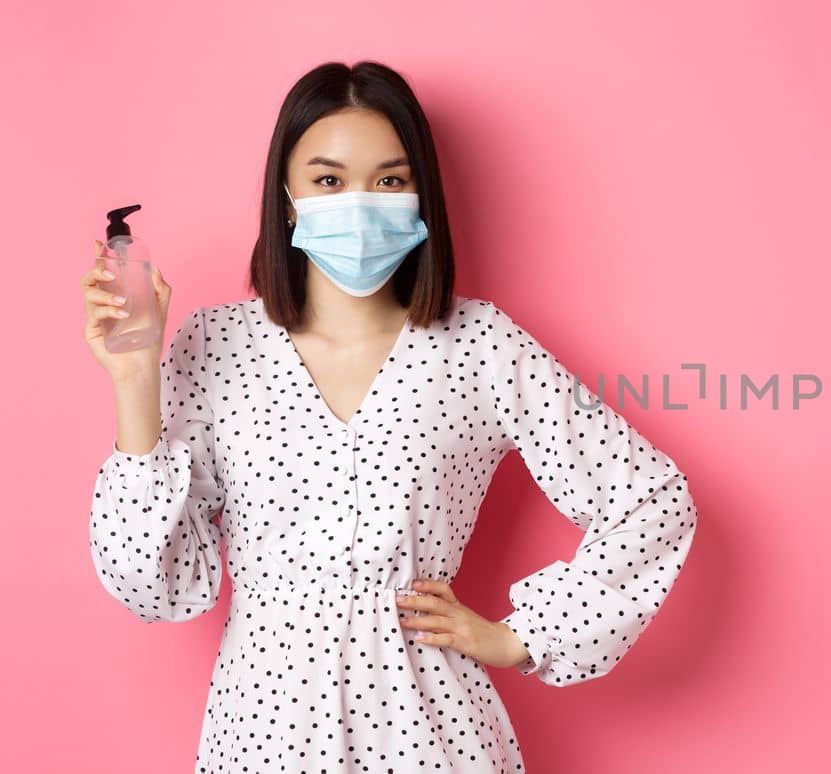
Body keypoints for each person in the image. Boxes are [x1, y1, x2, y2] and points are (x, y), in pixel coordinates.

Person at [80, 60, 698, 773]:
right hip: (260, 736)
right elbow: (152, 585)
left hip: (431, 733)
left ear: (420, 195)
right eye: (329, 180)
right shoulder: (215, 345)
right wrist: (134, 381)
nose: (360, 203)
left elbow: (652, 499)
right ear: (286, 197)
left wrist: (523, 636)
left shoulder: (480, 344)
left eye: (390, 180)